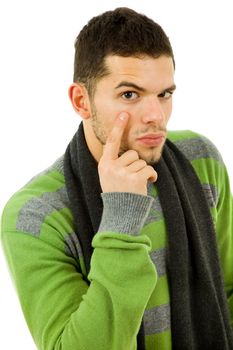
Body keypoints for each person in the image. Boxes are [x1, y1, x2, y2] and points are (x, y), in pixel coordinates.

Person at [1, 7, 233, 350]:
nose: (156, 116)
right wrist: (121, 219)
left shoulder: (200, 160)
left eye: (164, 94)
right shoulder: (34, 215)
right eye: (130, 95)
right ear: (82, 101)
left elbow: (228, 290)